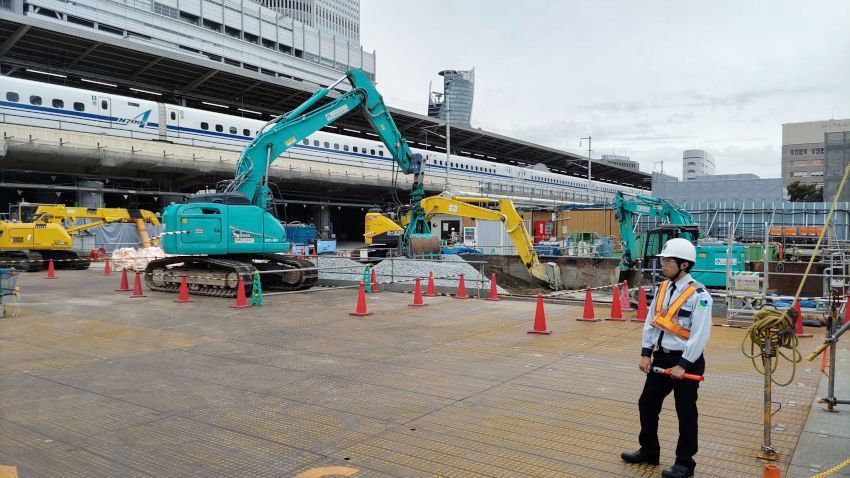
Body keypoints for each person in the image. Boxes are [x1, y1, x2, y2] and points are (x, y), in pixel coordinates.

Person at [621, 238, 712, 478]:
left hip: (686, 361)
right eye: (663, 259)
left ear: (684, 265)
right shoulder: (662, 288)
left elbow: (700, 335)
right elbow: (652, 323)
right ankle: (649, 451)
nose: (662, 264)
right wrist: (645, 353)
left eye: (667, 260)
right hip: (661, 358)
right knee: (647, 404)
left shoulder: (700, 295)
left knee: (686, 412)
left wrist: (683, 365)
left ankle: (685, 463)